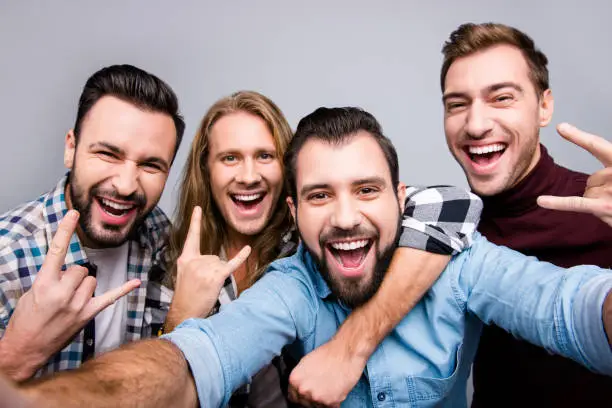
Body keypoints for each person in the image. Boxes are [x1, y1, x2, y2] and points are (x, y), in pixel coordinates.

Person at [20, 107, 612, 408]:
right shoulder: (289, 284)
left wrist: (352, 345)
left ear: (403, 200)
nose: (346, 216)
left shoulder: (457, 257)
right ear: (295, 213)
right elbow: (191, 363)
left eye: (367, 190)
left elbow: (569, 308)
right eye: (320, 196)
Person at [160, 91, 482, 407]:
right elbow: (170, 378)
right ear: (206, 169)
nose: (248, 176)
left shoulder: (309, 243)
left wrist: (349, 346)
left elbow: (455, 203)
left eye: (264, 156)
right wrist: (180, 316)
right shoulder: (173, 260)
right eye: (230, 158)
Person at [439, 22, 612, 407]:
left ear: (544, 106)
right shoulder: (447, 229)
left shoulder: (603, 211)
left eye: (501, 98)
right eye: (457, 104)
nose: (477, 124)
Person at [0, 64, 185, 381]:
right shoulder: (7, 259)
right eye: (108, 154)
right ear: (70, 148)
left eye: (151, 165)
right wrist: (17, 356)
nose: (126, 185)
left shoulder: (158, 233)